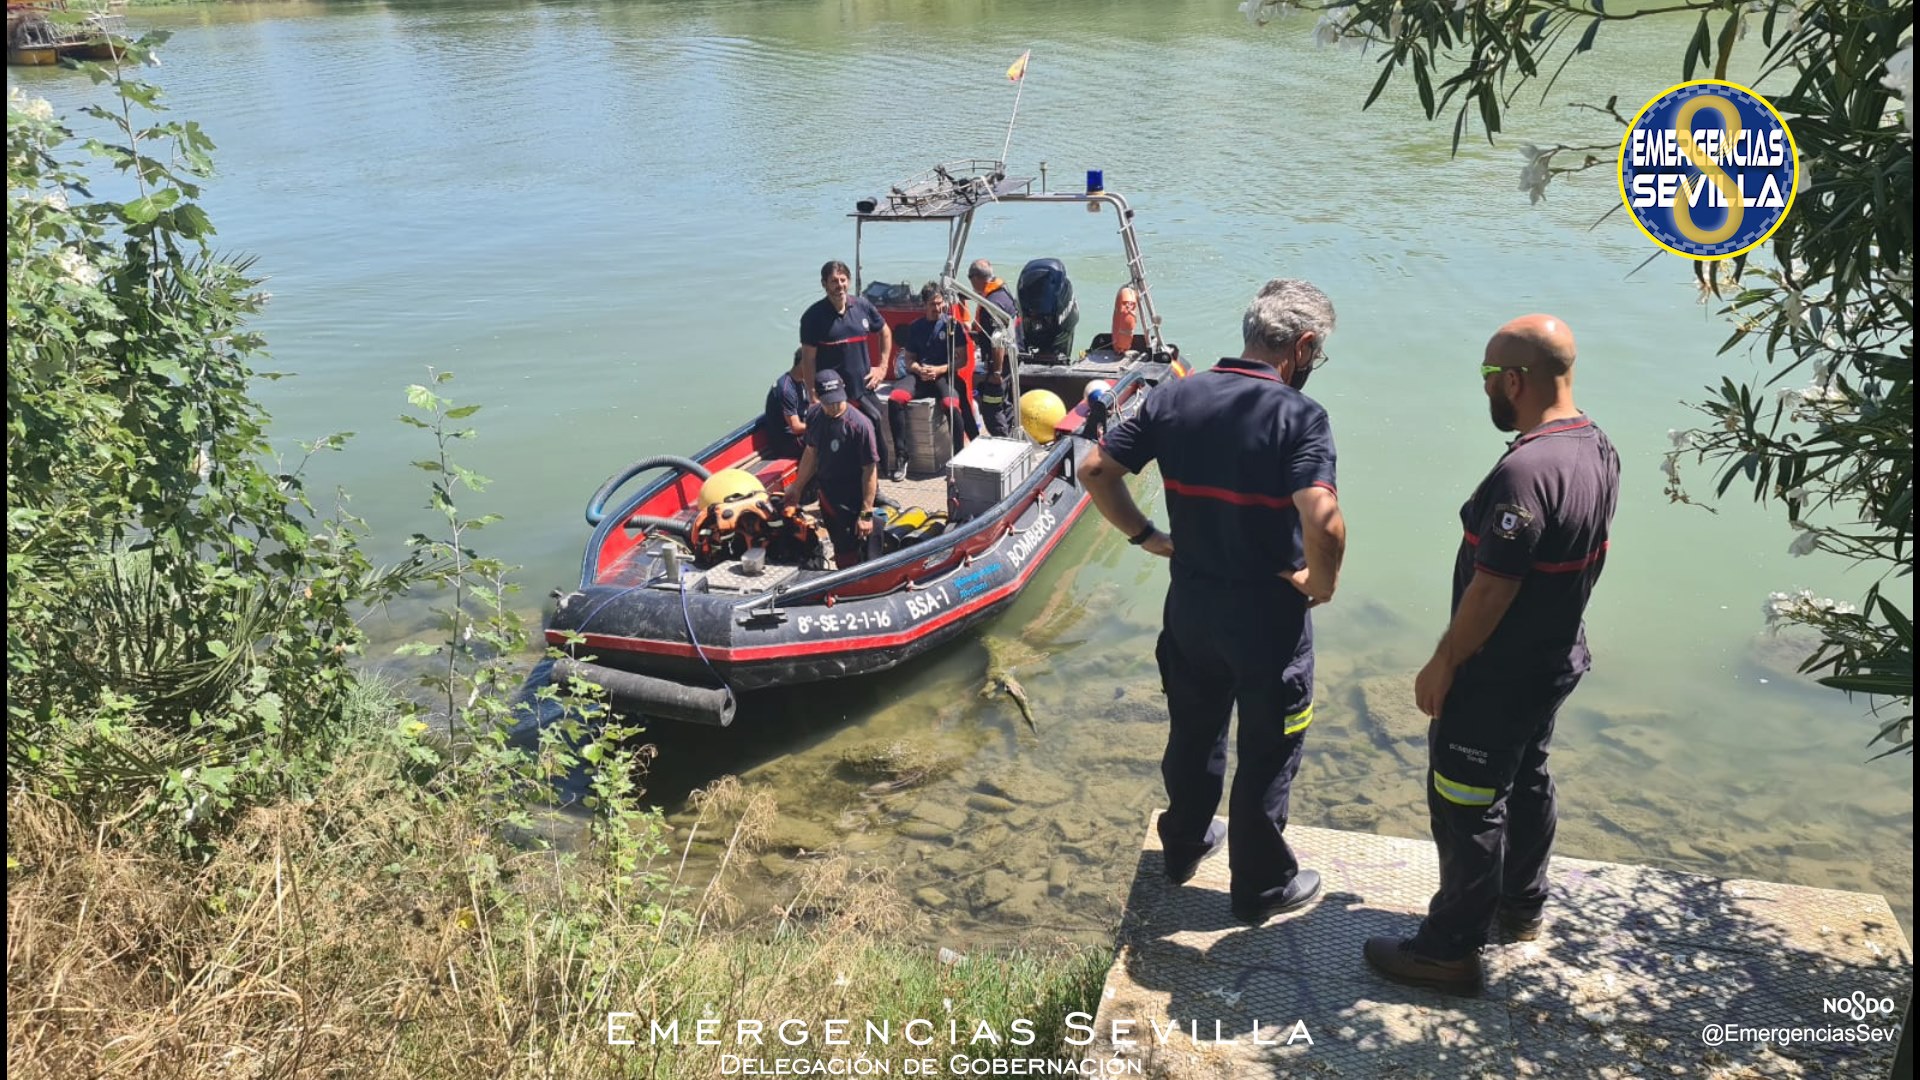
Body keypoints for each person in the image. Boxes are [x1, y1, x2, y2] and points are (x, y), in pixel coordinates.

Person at [1364, 314, 1620, 995]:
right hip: (1554, 659)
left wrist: (1445, 661)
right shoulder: (1595, 447)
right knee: (1526, 775)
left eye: (1487, 377)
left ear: (1514, 380)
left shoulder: (1526, 472)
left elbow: (1493, 590)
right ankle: (1521, 906)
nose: (1485, 391)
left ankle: (1449, 950)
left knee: (1466, 797)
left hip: (1498, 672)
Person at [1081, 278, 1346, 924]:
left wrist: (1147, 537)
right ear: (1303, 347)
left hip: (1192, 606)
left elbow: (1095, 471)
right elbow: (1324, 518)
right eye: (1318, 355)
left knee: (1194, 732)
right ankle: (1259, 886)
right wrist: (1321, 583)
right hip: (1267, 620)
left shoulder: (1175, 395)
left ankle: (1185, 846)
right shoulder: (1298, 416)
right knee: (1268, 748)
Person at [800, 260, 896, 476]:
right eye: (834, 281)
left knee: (875, 422)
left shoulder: (862, 306)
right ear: (824, 284)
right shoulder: (813, 317)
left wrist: (882, 367)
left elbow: (885, 332)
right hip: (832, 393)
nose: (839, 285)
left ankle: (881, 479)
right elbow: (808, 359)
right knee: (835, 438)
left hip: (861, 388)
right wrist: (813, 393)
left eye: (843, 280)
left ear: (849, 282)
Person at [787, 370, 880, 569]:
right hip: (828, 492)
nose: (834, 406)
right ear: (818, 397)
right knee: (839, 544)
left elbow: (870, 471)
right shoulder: (813, 416)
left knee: (853, 550)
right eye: (828, 402)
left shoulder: (861, 426)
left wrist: (865, 513)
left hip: (853, 494)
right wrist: (797, 486)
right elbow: (811, 453)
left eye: (837, 400)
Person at [886, 283, 970, 479]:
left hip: (943, 375)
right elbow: (909, 359)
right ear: (924, 305)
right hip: (921, 376)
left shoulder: (952, 326)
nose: (937, 308)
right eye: (933, 304)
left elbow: (962, 359)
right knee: (895, 399)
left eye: (940, 303)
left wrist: (939, 369)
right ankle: (902, 457)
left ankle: (958, 457)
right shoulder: (916, 327)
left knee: (951, 405)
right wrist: (919, 369)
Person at [967, 258, 1019, 437]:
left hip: (1000, 366)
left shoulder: (992, 305)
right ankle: (1012, 434)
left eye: (970, 278)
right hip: (1011, 360)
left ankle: (1003, 440)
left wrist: (996, 373)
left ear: (977, 278)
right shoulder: (1003, 292)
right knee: (1005, 403)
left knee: (991, 406)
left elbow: (998, 339)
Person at [758, 347, 809, 459]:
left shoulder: (802, 382)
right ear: (802, 364)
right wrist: (818, 426)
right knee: (825, 439)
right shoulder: (787, 389)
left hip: (798, 431)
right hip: (786, 442)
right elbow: (795, 427)